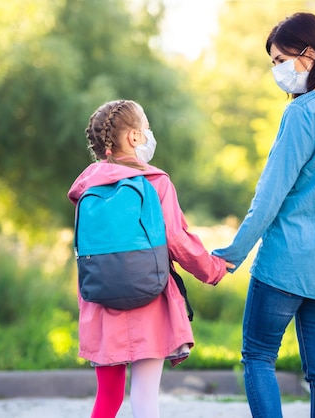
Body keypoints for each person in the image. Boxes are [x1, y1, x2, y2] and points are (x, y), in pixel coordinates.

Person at [212, 12, 315, 418]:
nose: (278, 72)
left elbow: (268, 198)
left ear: (310, 53)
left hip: (285, 266)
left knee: (258, 357)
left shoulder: (302, 114)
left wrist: (233, 253)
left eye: (281, 61)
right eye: (273, 64)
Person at [68, 99, 230, 418]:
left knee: (108, 397)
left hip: (102, 301)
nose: (149, 135)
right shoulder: (155, 182)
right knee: (144, 398)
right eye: (146, 128)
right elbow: (178, 241)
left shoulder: (89, 187)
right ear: (132, 138)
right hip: (150, 300)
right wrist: (214, 268)